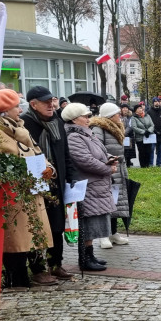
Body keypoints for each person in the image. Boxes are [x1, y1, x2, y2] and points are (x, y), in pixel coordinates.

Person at [0, 89, 55, 290]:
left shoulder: (21, 129)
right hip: (15, 193)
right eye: (15, 107)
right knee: (16, 238)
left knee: (35, 232)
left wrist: (48, 169)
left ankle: (37, 269)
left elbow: (37, 153)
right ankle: (15, 277)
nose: (20, 110)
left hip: (33, 190)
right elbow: (9, 160)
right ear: (4, 111)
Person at [21, 85, 75, 283]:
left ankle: (55, 264)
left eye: (52, 101)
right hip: (35, 183)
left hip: (57, 183)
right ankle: (37, 269)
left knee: (57, 226)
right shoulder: (25, 124)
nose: (51, 105)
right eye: (46, 102)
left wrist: (70, 178)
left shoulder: (57, 122)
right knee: (37, 226)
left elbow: (65, 154)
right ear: (33, 104)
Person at [63, 103, 116, 272]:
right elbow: (84, 160)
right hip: (87, 187)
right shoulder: (73, 136)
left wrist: (110, 158)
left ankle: (90, 255)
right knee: (87, 224)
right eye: (85, 116)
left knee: (93, 224)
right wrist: (107, 168)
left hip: (96, 186)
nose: (88, 118)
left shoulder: (86, 133)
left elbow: (101, 151)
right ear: (73, 119)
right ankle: (84, 259)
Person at [90, 102, 132, 248]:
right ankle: (103, 236)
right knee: (105, 204)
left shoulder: (116, 127)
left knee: (115, 204)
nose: (120, 116)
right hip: (108, 171)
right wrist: (108, 166)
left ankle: (113, 233)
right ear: (109, 116)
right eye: (116, 114)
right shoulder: (99, 129)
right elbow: (97, 151)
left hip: (118, 169)